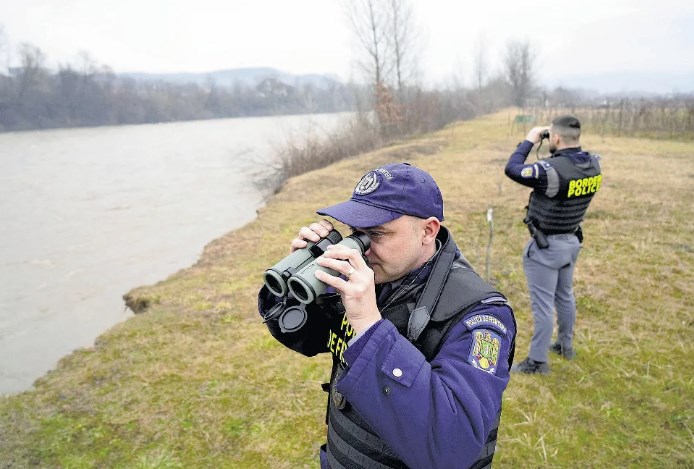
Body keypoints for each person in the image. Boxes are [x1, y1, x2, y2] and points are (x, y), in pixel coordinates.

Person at [258, 162, 516, 469]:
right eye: (357, 233)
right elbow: (307, 337)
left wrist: (369, 325)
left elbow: (451, 447)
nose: (362, 248)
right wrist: (296, 279)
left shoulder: (478, 315)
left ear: (427, 230)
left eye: (377, 234)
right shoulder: (372, 275)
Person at [504, 115, 602, 375]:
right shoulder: (593, 164)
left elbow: (513, 168)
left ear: (555, 137)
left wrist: (529, 139)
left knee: (543, 305)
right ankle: (565, 345)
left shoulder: (551, 171)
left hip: (546, 247)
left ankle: (537, 361)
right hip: (572, 241)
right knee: (565, 295)